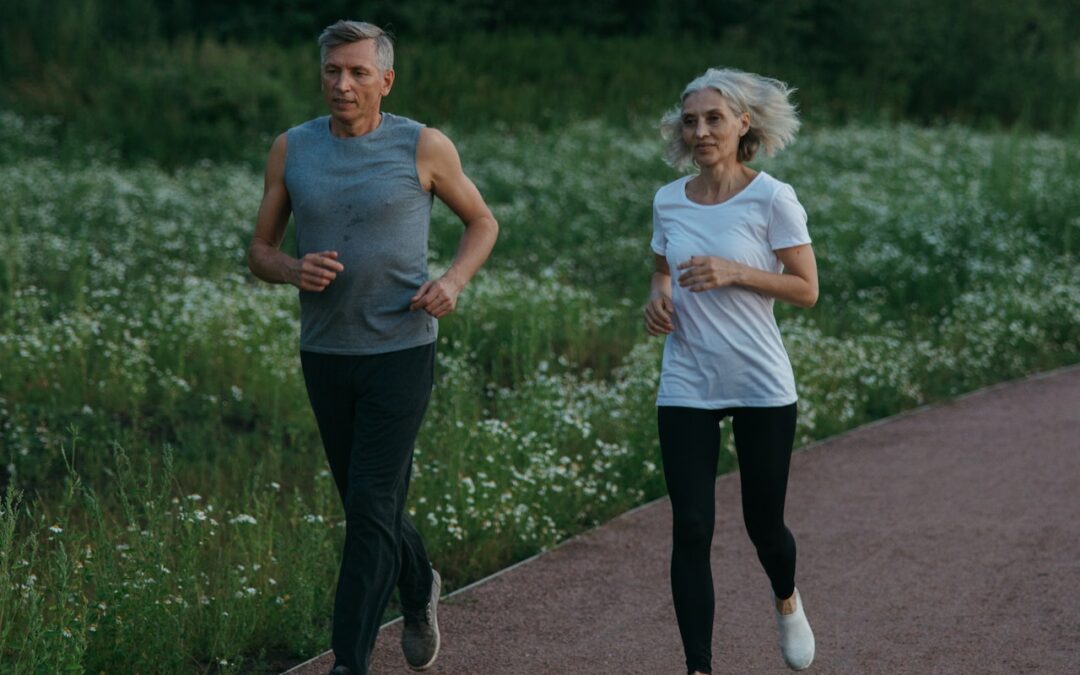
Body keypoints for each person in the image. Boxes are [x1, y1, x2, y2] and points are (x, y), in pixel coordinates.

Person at [246, 20, 498, 675]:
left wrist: (453, 280)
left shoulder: (423, 145)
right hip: (326, 351)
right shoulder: (291, 149)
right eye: (333, 70)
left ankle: (348, 663)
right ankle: (418, 586)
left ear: (386, 80)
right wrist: (291, 268)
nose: (343, 83)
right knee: (368, 503)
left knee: (368, 510)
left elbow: (482, 221)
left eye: (358, 72)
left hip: (402, 348)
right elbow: (259, 251)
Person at [643, 67, 818, 674]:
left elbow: (806, 289)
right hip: (686, 379)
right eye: (691, 120)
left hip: (760, 382)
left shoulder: (772, 197)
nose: (701, 130)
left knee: (762, 523)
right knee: (691, 526)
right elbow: (662, 266)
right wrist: (657, 295)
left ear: (743, 123)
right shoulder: (668, 199)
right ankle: (698, 667)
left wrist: (735, 271)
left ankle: (787, 598)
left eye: (714, 118)